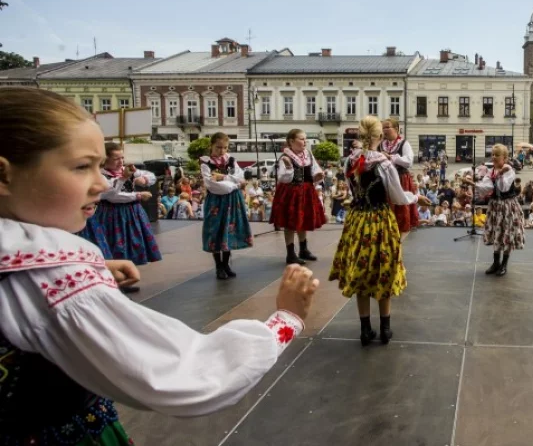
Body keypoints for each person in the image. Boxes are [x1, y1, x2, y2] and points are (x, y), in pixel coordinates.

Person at [0, 87, 319, 445]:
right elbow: (186, 376)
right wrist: (286, 320)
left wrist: (97, 266)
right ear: (4, 176)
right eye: (80, 167)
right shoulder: (56, 278)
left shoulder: (26, 262)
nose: (101, 182)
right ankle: (223, 264)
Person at [329, 116, 417, 346]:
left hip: (357, 221)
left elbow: (351, 190)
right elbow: (398, 197)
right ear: (379, 136)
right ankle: (385, 328)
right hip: (379, 221)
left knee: (362, 274)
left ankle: (365, 330)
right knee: (383, 271)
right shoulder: (384, 164)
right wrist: (417, 197)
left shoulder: (349, 161)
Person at [95, 142, 162, 266]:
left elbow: (151, 175)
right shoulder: (100, 175)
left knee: (133, 243)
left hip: (132, 212)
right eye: (116, 159)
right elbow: (112, 195)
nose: (121, 162)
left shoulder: (127, 170)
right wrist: (137, 194)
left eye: (122, 158)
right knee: (114, 245)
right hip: (110, 213)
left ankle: (128, 272)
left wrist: (144, 179)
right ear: (105, 159)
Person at [201, 132, 254, 280]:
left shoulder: (231, 160)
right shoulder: (206, 163)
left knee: (229, 231)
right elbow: (213, 186)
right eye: (218, 148)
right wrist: (234, 184)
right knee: (216, 232)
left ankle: (226, 264)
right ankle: (219, 266)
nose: (222, 151)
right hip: (216, 202)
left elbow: (241, 177)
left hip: (232, 201)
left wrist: (223, 177)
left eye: (225, 148)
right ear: (211, 145)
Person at [270, 129, 325, 265]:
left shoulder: (308, 154)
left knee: (303, 220)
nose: (304, 141)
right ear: (291, 141)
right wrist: (289, 167)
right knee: (290, 222)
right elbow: (283, 178)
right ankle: (290, 253)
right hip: (291, 191)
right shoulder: (285, 157)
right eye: (301, 139)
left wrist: (317, 177)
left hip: (307, 190)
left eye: (305, 139)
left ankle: (303, 249)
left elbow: (315, 170)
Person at [473, 144, 525, 277]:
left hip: (507, 206)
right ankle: (496, 262)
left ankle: (504, 264)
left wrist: (501, 173)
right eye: (492, 154)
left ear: (505, 158)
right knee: (497, 233)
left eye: (497, 155)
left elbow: (503, 188)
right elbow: (487, 188)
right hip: (495, 206)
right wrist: (474, 184)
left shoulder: (509, 170)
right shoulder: (491, 171)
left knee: (507, 233)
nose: (494, 157)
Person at [380, 117, 418, 233]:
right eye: (383, 128)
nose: (385, 130)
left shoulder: (404, 143)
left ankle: (401, 230)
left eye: (387, 127)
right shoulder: (381, 145)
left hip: (401, 178)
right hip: (386, 178)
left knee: (401, 204)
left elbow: (409, 161)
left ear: (396, 128)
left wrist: (391, 157)